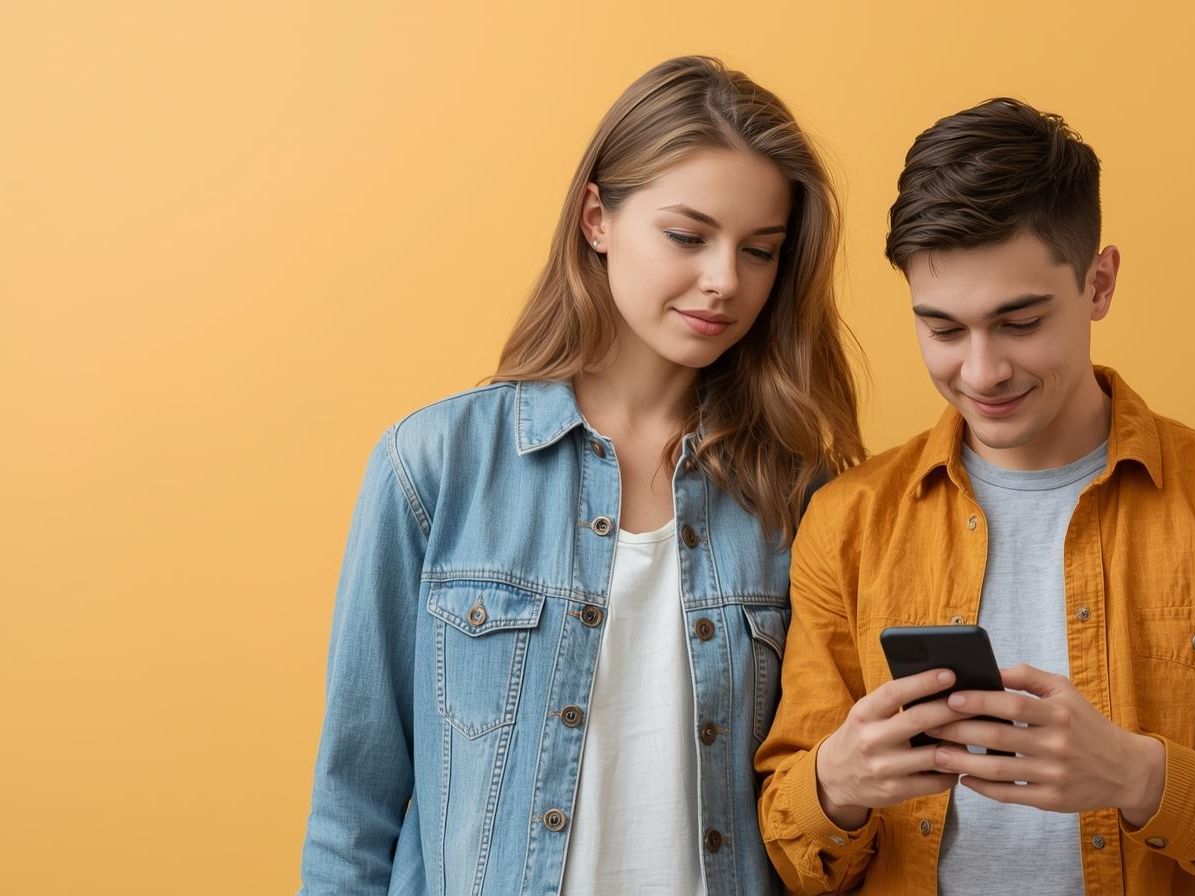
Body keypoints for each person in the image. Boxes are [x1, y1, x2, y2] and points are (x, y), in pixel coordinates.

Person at [756, 98, 1195, 895]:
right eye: (943, 330)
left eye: (1020, 322)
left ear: (1099, 283)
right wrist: (834, 785)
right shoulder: (847, 520)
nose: (981, 373)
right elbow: (790, 850)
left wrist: (1142, 778)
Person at [299, 55, 863, 896]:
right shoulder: (434, 467)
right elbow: (354, 806)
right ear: (597, 218)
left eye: (760, 251)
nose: (724, 280)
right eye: (687, 236)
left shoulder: (802, 495)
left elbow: (814, 816)